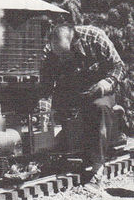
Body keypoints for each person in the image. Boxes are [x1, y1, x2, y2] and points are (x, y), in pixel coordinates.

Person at [38, 23, 126, 188]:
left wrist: (107, 82)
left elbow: (119, 66)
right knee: (60, 113)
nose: (62, 59)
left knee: (99, 108)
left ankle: (97, 168)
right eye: (60, 57)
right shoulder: (50, 51)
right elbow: (46, 86)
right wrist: (43, 113)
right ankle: (66, 154)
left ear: (74, 41)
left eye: (65, 55)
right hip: (73, 91)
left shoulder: (95, 37)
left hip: (101, 90)